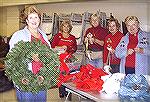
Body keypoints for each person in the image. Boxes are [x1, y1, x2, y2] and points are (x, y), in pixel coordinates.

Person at [9, 6, 51, 102]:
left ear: (39, 19)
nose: (34, 20)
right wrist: (29, 56)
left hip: (42, 78)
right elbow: (12, 58)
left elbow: (48, 53)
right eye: (31, 17)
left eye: (36, 17)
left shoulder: (43, 35)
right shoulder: (18, 35)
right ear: (27, 20)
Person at [51, 20, 77, 99]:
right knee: (60, 76)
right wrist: (60, 48)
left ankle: (69, 91)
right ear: (61, 27)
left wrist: (68, 48)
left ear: (70, 28)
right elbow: (52, 46)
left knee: (69, 76)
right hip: (59, 59)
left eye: (67, 26)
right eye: (64, 26)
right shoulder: (57, 36)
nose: (66, 28)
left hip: (68, 60)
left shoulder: (72, 37)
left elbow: (75, 48)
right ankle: (62, 92)